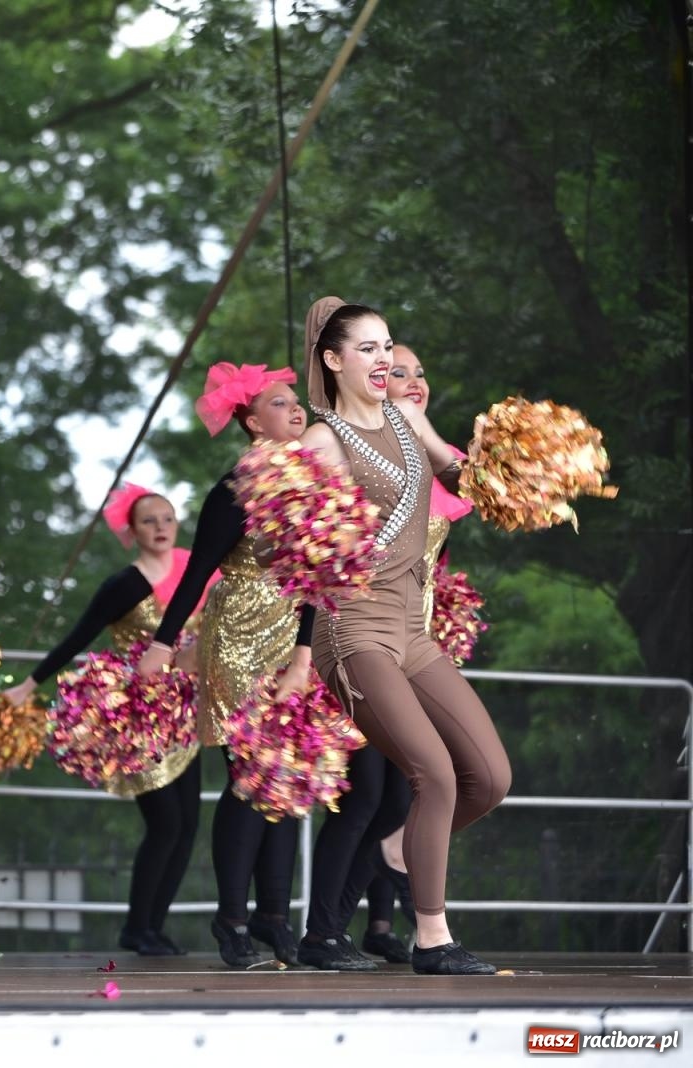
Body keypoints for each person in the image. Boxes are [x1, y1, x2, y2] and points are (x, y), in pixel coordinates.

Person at [295, 297, 510, 976]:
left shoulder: (404, 416)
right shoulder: (321, 442)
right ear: (334, 360)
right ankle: (433, 940)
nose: (384, 358)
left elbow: (459, 478)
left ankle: (399, 848)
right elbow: (300, 552)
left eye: (387, 346)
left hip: (412, 631)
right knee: (434, 775)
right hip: (352, 630)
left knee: (489, 778)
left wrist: (518, 473)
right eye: (368, 348)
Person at [136, 363, 316, 969]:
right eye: (279, 403)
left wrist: (305, 651)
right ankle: (233, 918)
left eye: (296, 402)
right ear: (252, 421)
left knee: (286, 777)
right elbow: (196, 574)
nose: (296, 410)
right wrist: (164, 644)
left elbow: (321, 579)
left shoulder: (314, 485)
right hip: (238, 634)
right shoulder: (235, 488)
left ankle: (275, 916)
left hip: (292, 637)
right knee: (251, 776)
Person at [3, 489, 217, 956]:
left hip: (184, 713)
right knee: (165, 823)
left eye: (167, 518)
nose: (160, 528)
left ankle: (153, 927)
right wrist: (29, 684)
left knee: (187, 826)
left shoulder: (195, 571)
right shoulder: (124, 585)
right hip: (139, 718)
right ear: (132, 531)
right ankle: (136, 928)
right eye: (149, 521)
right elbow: (77, 637)